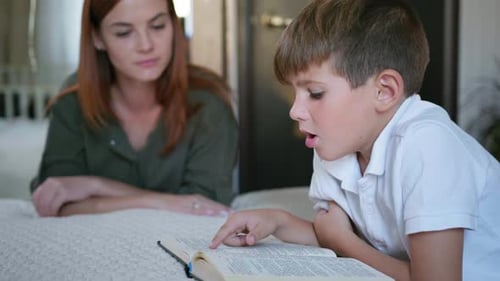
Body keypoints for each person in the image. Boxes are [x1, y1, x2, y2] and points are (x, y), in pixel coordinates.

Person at [210, 0, 500, 280]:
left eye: (315, 93)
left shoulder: (430, 146)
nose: (295, 111)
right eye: (295, 92)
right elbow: (335, 232)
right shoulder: (337, 144)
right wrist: (278, 221)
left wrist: (343, 244)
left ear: (384, 91)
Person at [30, 0, 238, 217]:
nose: (146, 45)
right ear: (97, 37)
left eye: (157, 26)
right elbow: (54, 200)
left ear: (174, 26)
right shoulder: (71, 104)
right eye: (124, 33)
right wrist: (163, 202)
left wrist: (96, 187)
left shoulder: (208, 104)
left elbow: (205, 206)